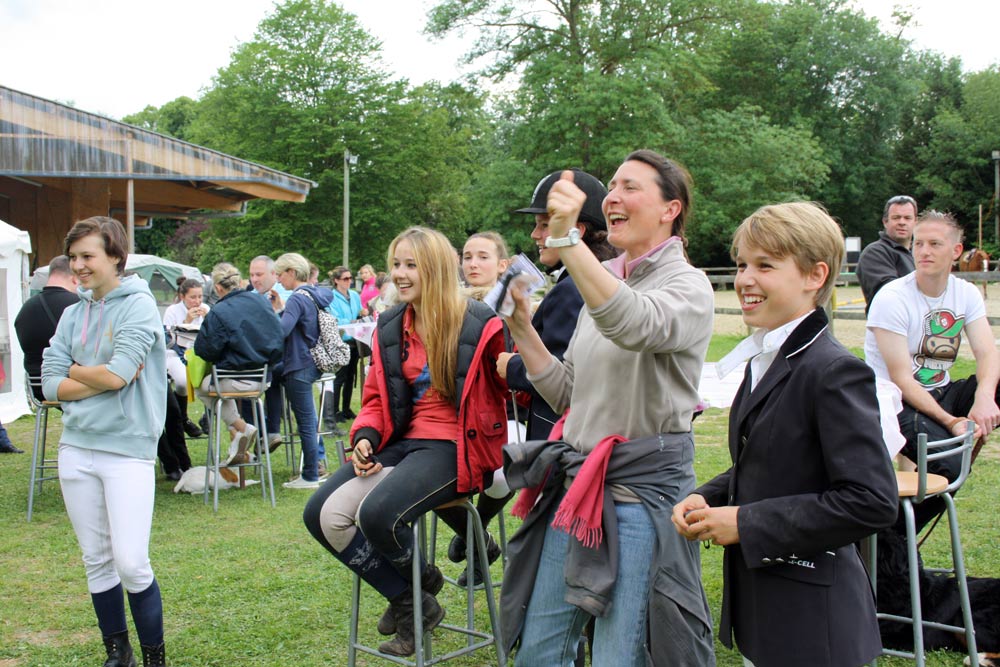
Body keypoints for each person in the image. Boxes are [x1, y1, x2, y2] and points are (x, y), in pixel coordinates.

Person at [501, 152, 716, 666]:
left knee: (619, 657)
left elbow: (634, 323)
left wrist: (567, 241)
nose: (611, 197)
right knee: (540, 650)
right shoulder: (606, 284)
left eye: (630, 187)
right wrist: (524, 331)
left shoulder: (687, 286)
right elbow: (569, 392)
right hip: (578, 492)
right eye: (610, 187)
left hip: (641, 498)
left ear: (671, 209)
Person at [672, 202, 899, 667]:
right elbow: (773, 457)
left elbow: (871, 500)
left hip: (814, 620)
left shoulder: (834, 371)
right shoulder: (770, 357)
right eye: (740, 265)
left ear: (815, 276)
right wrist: (710, 497)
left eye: (765, 265)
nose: (744, 280)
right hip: (770, 605)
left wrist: (746, 523)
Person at [303, 226, 508, 657]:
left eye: (410, 264)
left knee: (378, 514)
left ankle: (415, 593)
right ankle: (412, 596)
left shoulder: (480, 321)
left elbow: (514, 385)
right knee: (320, 513)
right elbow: (376, 396)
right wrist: (364, 437)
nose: (398, 273)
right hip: (403, 442)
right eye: (395, 263)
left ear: (433, 268)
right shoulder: (390, 323)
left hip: (458, 445)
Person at [41, 216, 168, 667]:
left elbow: (119, 374)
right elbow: (48, 384)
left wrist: (77, 370)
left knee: (131, 562)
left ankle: (155, 655)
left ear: (115, 256)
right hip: (76, 448)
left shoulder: (139, 306)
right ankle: (118, 652)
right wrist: (91, 375)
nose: (78, 266)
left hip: (127, 448)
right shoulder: (73, 312)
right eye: (73, 257)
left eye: (87, 256)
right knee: (96, 558)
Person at [866, 210, 1000, 532]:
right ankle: (896, 536)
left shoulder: (964, 293)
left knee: (953, 462)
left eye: (935, 244)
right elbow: (901, 378)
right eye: (919, 243)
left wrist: (983, 398)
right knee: (949, 466)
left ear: (955, 251)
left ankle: (899, 534)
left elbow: (987, 351)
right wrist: (953, 421)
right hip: (896, 402)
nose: (924, 251)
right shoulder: (893, 297)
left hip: (940, 392)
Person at [498, 169, 616, 440]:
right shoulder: (588, 281)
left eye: (544, 225)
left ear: (577, 230)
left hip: (559, 431)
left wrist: (512, 366)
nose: (534, 234)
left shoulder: (570, 290)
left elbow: (567, 375)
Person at [193, 263, 284, 466]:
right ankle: (239, 431)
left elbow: (205, 350)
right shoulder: (261, 303)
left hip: (233, 379)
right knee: (218, 389)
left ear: (217, 287)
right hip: (263, 379)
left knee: (201, 386)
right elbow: (279, 336)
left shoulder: (219, 311)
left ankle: (240, 427)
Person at [270, 253, 334, 488]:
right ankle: (312, 470)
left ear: (292, 273)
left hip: (298, 363)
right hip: (313, 362)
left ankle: (310, 475)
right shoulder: (314, 295)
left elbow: (282, 331)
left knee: (306, 423)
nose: (278, 280)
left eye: (280, 274)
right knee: (308, 421)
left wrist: (273, 319)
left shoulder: (297, 298)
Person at [15, 254, 80, 401]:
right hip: (68, 383)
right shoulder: (78, 307)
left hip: (37, 386)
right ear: (75, 277)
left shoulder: (25, 308)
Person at [163, 278, 210, 438]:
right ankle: (182, 418)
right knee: (183, 381)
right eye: (193, 297)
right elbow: (168, 339)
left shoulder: (206, 309)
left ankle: (208, 417)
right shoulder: (172, 311)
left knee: (212, 378)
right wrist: (187, 322)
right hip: (175, 353)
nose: (197, 301)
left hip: (199, 354)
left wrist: (208, 319)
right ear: (182, 296)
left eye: (200, 296)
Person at [856, 195, 918, 312]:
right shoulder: (875, 252)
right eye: (896, 217)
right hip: (890, 326)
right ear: (885, 222)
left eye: (907, 218)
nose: (902, 222)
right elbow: (890, 295)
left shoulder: (918, 254)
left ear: (915, 222)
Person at [323, 266, 364, 433]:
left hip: (355, 340)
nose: (349, 281)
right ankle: (334, 412)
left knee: (351, 377)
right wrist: (350, 320)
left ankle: (346, 409)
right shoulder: (331, 297)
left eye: (350, 278)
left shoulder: (354, 295)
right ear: (337, 280)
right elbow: (334, 319)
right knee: (339, 378)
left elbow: (359, 312)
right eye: (346, 279)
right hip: (341, 341)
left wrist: (362, 313)